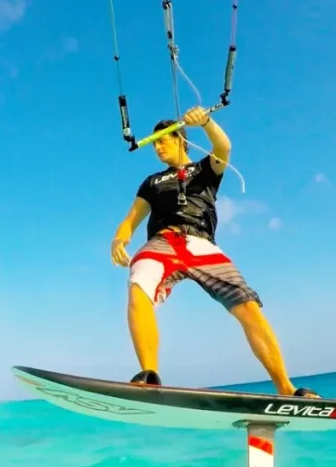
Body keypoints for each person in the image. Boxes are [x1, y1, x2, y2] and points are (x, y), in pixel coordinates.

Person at [109, 106, 319, 398]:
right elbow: (131, 219)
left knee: (247, 306)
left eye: (163, 140)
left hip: (200, 243)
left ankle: (285, 387)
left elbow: (224, 146)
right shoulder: (151, 182)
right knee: (138, 286)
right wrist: (119, 240)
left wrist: (206, 122)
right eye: (154, 143)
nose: (157, 147)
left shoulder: (206, 169)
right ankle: (148, 375)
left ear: (181, 140)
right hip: (162, 242)